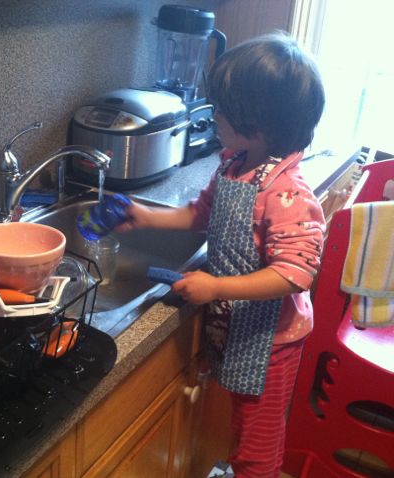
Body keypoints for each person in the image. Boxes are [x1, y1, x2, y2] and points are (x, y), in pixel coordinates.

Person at [117, 32, 326, 478]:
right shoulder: (236, 162)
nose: (215, 116)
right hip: (238, 327)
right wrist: (145, 216)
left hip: (271, 342)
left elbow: (295, 274)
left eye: (224, 111)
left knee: (257, 447)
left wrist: (216, 287)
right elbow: (202, 214)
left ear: (259, 122)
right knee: (242, 428)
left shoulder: (288, 192)